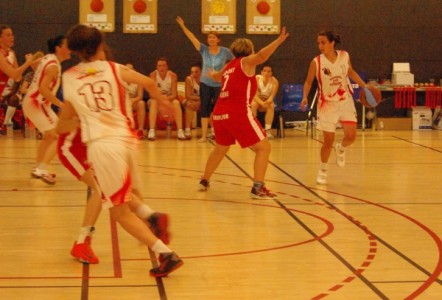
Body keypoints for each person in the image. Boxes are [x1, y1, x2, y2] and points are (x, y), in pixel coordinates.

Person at [62, 24, 183, 277]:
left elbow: (65, 120)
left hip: (103, 146)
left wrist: (71, 123)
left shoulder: (70, 77)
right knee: (123, 196)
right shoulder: (114, 68)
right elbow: (149, 82)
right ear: (99, 45)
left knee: (118, 211)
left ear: (75, 51)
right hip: (127, 141)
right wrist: (163, 103)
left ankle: (166, 254)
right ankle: (151, 217)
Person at [199, 28, 289, 200]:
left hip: (219, 113)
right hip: (237, 112)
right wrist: (278, 41)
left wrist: (211, 73)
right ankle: (258, 187)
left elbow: (217, 77)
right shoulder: (246, 62)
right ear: (249, 50)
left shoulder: (228, 67)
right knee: (264, 147)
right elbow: (262, 56)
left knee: (220, 148)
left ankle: (204, 180)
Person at [300, 30, 367, 185]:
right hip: (327, 104)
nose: (320, 46)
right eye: (318, 43)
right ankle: (323, 170)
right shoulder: (316, 62)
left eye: (323, 42)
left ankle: (341, 148)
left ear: (332, 43)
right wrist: (304, 96)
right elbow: (309, 81)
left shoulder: (345, 55)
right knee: (327, 141)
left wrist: (365, 87)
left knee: (351, 137)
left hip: (345, 100)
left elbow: (350, 72)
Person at [22, 35, 71, 184]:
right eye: (67, 46)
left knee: (50, 137)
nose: (70, 49)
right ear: (58, 48)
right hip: (37, 103)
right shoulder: (53, 66)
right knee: (60, 136)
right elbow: (43, 89)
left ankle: (38, 167)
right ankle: (41, 168)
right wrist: (60, 104)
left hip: (37, 103)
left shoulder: (48, 58)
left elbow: (35, 65)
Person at [176, 16, 234, 142]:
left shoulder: (225, 51)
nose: (211, 39)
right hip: (206, 84)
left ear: (218, 40)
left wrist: (224, 71)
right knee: (205, 108)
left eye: (214, 37)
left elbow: (237, 59)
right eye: (209, 37)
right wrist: (183, 26)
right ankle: (203, 135)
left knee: (219, 109)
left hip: (219, 84)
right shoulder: (203, 49)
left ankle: (219, 133)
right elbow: (192, 38)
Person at [0, 25, 36, 132]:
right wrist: (28, 63)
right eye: (8, 35)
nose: (12, 37)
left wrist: (11, 93)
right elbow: (13, 73)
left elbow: (18, 76)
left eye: (12, 34)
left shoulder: (11, 53)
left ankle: (6, 122)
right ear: (0, 38)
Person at [147, 57, 186, 141]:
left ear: (167, 67)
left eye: (163, 66)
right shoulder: (153, 75)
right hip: (156, 100)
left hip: (168, 100)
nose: (161, 68)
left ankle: (180, 130)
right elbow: (152, 94)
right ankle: (151, 130)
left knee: (176, 102)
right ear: (157, 67)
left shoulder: (173, 76)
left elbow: (174, 95)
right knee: (153, 102)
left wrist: (165, 100)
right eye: (159, 66)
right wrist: (162, 99)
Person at [251, 63, 278, 139]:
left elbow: (271, 97)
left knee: (271, 105)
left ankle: (267, 130)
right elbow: (254, 95)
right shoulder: (256, 79)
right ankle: (253, 130)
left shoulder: (275, 81)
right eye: (265, 71)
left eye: (269, 71)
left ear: (271, 73)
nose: (266, 73)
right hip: (256, 100)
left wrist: (266, 102)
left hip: (266, 101)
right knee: (253, 104)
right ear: (261, 72)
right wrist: (261, 103)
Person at [126, 63, 146, 140]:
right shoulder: (120, 80)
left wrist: (133, 100)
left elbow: (140, 96)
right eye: (126, 69)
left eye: (131, 69)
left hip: (134, 101)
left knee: (141, 103)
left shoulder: (138, 81)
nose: (128, 71)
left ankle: (140, 130)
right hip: (124, 102)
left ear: (134, 70)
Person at [182, 63, 201, 140]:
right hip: (191, 100)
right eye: (192, 72)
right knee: (189, 104)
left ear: (201, 72)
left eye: (196, 72)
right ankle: (187, 129)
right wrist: (199, 100)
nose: (194, 74)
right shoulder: (189, 79)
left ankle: (213, 130)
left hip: (202, 101)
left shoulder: (206, 79)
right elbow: (188, 96)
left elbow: (208, 96)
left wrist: (200, 101)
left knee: (210, 104)